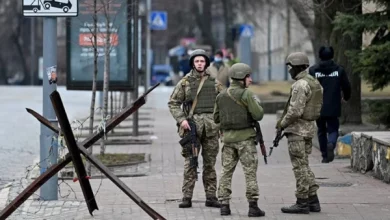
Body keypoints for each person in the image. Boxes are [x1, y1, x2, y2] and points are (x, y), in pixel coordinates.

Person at [168, 49, 221, 209]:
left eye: (202, 61)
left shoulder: (215, 83)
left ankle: (211, 197)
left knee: (210, 165)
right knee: (190, 163)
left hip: (211, 129)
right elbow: (173, 103)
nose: (200, 64)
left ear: (206, 63)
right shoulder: (184, 83)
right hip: (192, 129)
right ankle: (187, 197)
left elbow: (223, 103)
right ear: (193, 63)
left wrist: (222, 125)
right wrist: (182, 120)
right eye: (197, 61)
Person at [214, 63, 265, 217]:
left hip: (228, 140)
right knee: (250, 172)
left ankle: (224, 205)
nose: (250, 79)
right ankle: (253, 206)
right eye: (248, 76)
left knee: (225, 172)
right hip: (245, 140)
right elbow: (259, 115)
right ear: (241, 78)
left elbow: (216, 118)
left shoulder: (221, 95)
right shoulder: (247, 95)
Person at [277, 52, 323, 214]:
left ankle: (302, 202)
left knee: (299, 167)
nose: (289, 71)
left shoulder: (300, 85)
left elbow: (295, 111)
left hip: (297, 130)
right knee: (304, 165)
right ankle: (313, 200)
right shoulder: (313, 82)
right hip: (309, 129)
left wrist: (281, 125)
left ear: (296, 67)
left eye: (290, 67)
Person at [309, 46, 351, 163]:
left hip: (318, 106)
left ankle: (324, 156)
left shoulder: (313, 71)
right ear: (332, 55)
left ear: (320, 56)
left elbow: (309, 87)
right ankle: (331, 144)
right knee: (333, 129)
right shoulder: (339, 70)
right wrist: (346, 97)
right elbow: (346, 86)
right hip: (333, 105)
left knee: (321, 130)